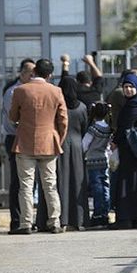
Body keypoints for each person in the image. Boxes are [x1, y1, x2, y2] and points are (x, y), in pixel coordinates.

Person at [9, 58, 68, 234]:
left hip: (25, 143)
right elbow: (63, 120)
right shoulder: (56, 91)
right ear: (50, 74)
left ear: (34, 71)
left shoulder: (20, 90)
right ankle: (54, 222)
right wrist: (59, 139)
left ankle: (26, 223)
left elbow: (12, 116)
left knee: (25, 186)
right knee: (50, 184)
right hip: (49, 142)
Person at [112, 73, 137, 229]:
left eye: (131, 87)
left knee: (129, 183)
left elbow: (125, 127)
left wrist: (115, 141)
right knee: (134, 183)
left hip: (132, 150)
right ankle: (135, 218)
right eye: (125, 87)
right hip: (136, 150)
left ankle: (126, 218)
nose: (127, 90)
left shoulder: (134, 104)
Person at [1, 59, 35, 232]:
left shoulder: (30, 90)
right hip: (15, 137)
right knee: (17, 179)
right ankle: (16, 219)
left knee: (28, 180)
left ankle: (26, 217)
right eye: (31, 73)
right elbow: (13, 118)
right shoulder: (12, 92)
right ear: (23, 74)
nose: (34, 76)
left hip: (27, 137)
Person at [56, 76, 89, 231]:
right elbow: (84, 128)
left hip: (59, 144)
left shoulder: (57, 105)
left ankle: (60, 218)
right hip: (77, 146)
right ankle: (79, 219)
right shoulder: (81, 107)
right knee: (77, 183)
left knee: (60, 182)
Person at [83, 102, 113, 227]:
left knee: (97, 187)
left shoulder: (93, 129)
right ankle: (105, 213)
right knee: (105, 185)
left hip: (92, 160)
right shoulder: (108, 128)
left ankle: (97, 214)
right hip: (104, 159)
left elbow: (84, 145)